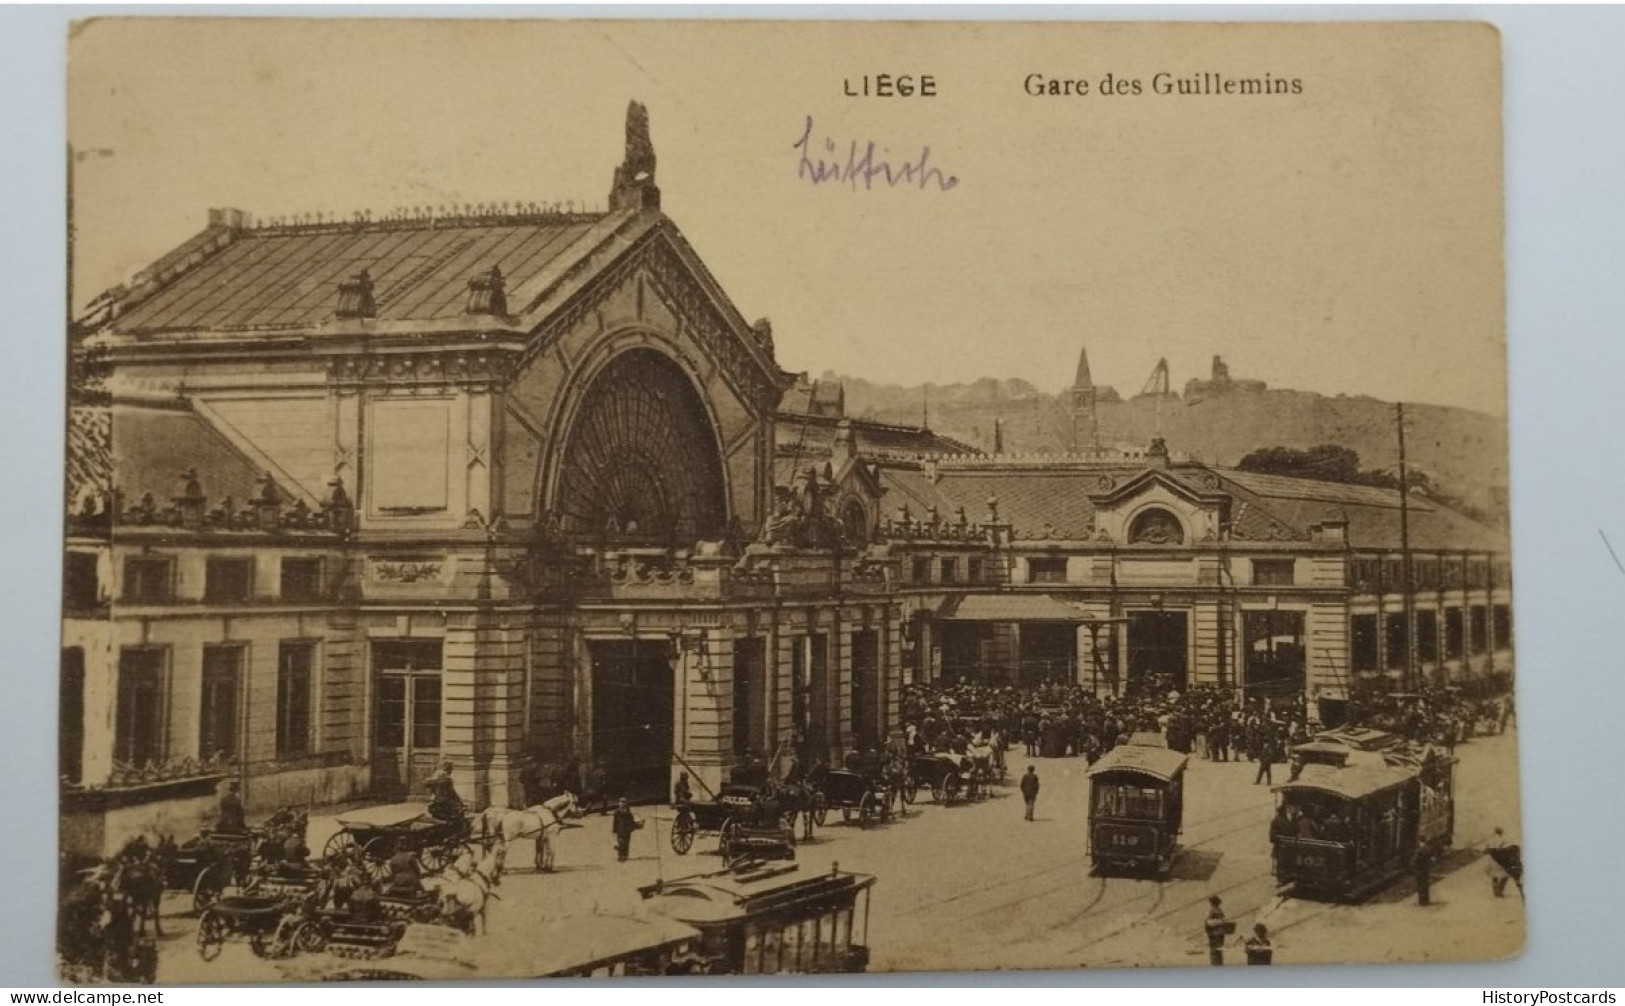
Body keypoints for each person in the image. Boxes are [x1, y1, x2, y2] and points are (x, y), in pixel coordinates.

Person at [1204, 895, 1233, 966]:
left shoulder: (1218, 910)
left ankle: (1218, 964)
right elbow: (1208, 922)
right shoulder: (1211, 910)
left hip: (1219, 934)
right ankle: (1215, 965)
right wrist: (1221, 921)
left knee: (1219, 951)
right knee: (1215, 951)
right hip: (1214, 934)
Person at [612, 798, 641, 862]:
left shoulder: (628, 810)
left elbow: (631, 819)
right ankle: (620, 855)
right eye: (621, 802)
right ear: (619, 803)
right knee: (620, 842)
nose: (622, 804)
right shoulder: (617, 811)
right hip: (620, 828)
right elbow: (615, 821)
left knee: (626, 842)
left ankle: (625, 854)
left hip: (627, 829)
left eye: (624, 802)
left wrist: (632, 826)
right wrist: (614, 830)